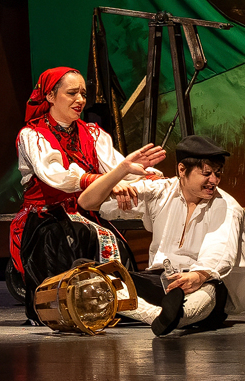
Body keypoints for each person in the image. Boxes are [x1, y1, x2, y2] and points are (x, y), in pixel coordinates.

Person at [10, 66, 164, 328]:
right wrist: (106, 181)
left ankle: (122, 306)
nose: (80, 99)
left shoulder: (92, 134)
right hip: (46, 218)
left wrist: (148, 175)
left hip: (87, 214)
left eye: (83, 93)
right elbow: (55, 175)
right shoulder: (33, 135)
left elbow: (117, 167)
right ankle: (66, 308)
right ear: (50, 96)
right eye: (72, 93)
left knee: (111, 242)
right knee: (64, 241)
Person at [83, 135, 245, 336]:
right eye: (207, 173)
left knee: (210, 290)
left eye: (218, 173)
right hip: (161, 282)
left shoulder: (227, 207)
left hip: (202, 282)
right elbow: (88, 203)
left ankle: (177, 315)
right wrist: (122, 169)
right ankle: (159, 316)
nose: (214, 180)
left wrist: (197, 276)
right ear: (182, 170)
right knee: (87, 271)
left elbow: (220, 250)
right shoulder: (159, 192)